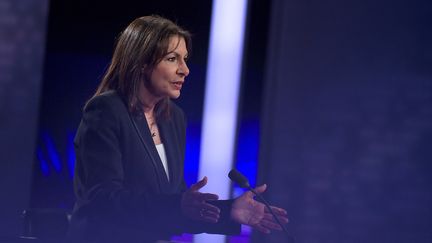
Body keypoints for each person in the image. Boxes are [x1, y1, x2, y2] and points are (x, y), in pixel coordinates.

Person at [68, 15, 288, 243]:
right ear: (142, 62)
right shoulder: (106, 110)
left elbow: (175, 206)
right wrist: (178, 205)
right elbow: (103, 200)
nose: (185, 70)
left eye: (185, 59)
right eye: (173, 59)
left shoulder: (173, 119)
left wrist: (229, 211)